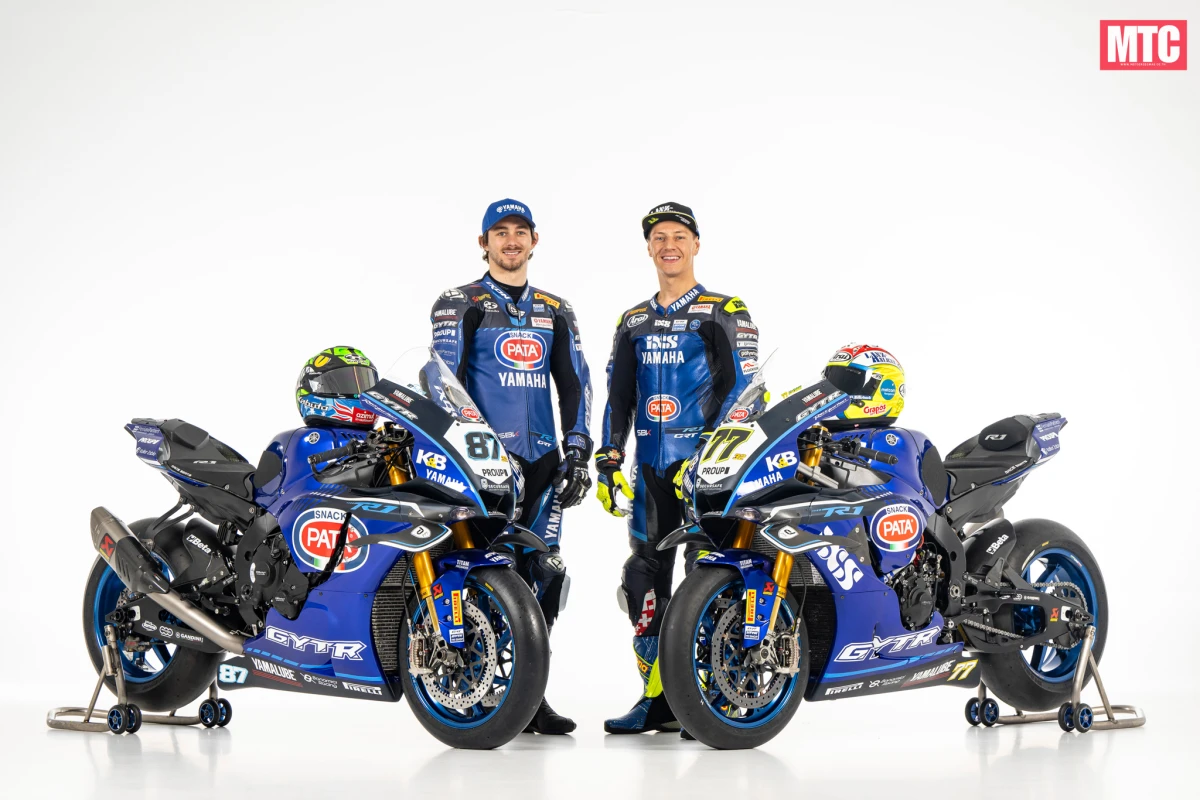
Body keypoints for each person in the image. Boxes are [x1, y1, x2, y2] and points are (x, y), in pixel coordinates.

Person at [429, 198, 592, 735]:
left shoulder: (556, 308)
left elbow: (575, 383)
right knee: (480, 573)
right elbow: (443, 383)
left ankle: (528, 697)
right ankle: (470, 687)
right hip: (483, 462)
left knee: (543, 575)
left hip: (544, 461)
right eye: (500, 232)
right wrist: (466, 450)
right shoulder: (460, 302)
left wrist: (578, 451)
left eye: (520, 231)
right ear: (484, 243)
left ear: (534, 241)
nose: (511, 240)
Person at [596, 202, 759, 734]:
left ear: (696, 245)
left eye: (679, 236)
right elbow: (619, 397)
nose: (670, 245)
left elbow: (746, 389)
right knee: (642, 576)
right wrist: (608, 458)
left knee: (709, 575)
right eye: (659, 237)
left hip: (709, 469)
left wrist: (716, 450)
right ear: (649, 248)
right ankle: (659, 698)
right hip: (650, 470)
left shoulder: (724, 309)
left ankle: (709, 695)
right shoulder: (633, 321)